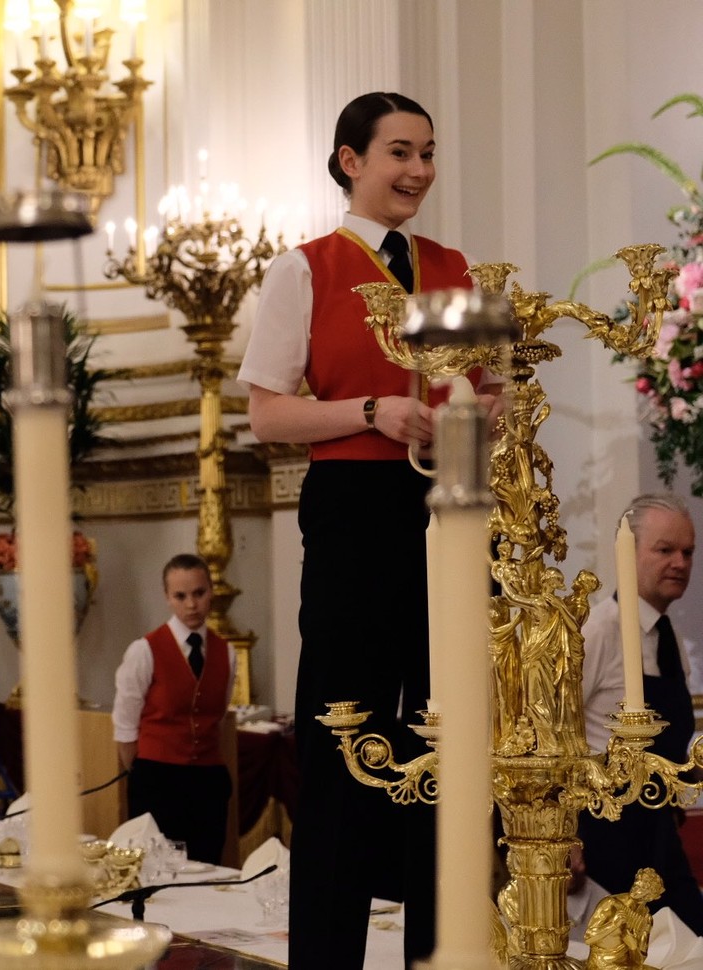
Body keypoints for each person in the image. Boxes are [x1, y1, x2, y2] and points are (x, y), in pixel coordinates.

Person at [238, 91, 501, 969]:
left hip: (451, 518)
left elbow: (490, 391)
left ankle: (445, 948)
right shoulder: (302, 269)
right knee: (345, 740)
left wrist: (479, 413)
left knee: (450, 737)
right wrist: (370, 410)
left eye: (427, 152)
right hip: (353, 517)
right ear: (350, 160)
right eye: (398, 152)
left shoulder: (454, 265)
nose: (418, 170)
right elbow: (269, 417)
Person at [579, 493, 703, 936]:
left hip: (657, 831)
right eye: (665, 549)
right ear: (628, 554)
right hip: (602, 836)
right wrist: (566, 841)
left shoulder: (668, 637)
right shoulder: (599, 631)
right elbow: (551, 735)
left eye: (688, 551)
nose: (680, 563)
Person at [111, 553, 236, 865]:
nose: (191, 605)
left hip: (208, 781)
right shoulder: (144, 650)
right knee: (157, 870)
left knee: (207, 869)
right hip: (157, 781)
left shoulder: (227, 652)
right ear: (167, 598)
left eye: (199, 593)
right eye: (181, 596)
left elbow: (217, 716)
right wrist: (145, 773)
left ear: (211, 591)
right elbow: (125, 727)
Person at [584, 867, 665, 969]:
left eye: (642, 888)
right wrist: (613, 924)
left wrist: (633, 946)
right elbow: (588, 938)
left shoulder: (646, 919)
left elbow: (639, 960)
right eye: (637, 883)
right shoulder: (611, 904)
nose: (635, 888)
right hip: (601, 963)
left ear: (650, 896)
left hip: (626, 964)